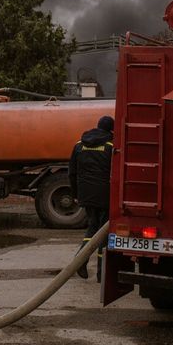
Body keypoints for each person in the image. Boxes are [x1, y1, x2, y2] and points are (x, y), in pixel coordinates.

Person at [69, 115, 114, 280]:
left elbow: (72, 173)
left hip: (85, 194)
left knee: (92, 227)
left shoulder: (79, 145)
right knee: (103, 231)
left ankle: (80, 262)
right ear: (111, 129)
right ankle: (102, 273)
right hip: (104, 195)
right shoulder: (111, 146)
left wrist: (76, 194)